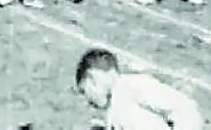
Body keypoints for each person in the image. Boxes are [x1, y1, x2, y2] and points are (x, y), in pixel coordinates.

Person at [75, 48, 204, 130]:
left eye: (85, 91)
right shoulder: (114, 109)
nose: (89, 101)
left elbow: (186, 108)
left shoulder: (132, 86)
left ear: (93, 77)